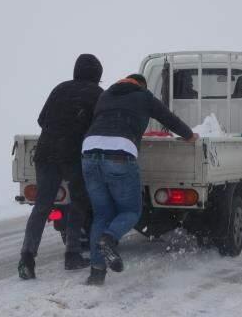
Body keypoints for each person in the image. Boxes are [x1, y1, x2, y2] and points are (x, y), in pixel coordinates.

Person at [81, 74, 198, 286]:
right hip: (119, 154)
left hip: (89, 153)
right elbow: (168, 118)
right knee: (131, 211)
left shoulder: (106, 95)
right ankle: (109, 239)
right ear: (141, 85)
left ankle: (96, 272)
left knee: (101, 214)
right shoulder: (143, 96)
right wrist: (189, 135)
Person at [18, 54, 104, 279]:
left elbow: (41, 120)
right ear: (97, 74)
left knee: (42, 206)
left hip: (46, 152)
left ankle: (26, 259)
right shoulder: (97, 94)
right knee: (78, 202)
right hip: (73, 155)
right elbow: (99, 126)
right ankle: (72, 255)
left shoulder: (60, 89)